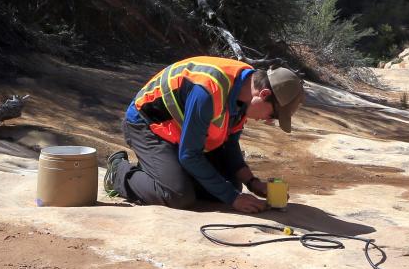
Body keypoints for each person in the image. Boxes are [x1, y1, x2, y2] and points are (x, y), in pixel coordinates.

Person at [104, 57, 305, 214]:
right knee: (178, 195)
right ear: (263, 95)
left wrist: (252, 183)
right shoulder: (209, 90)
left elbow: (230, 146)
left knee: (231, 184)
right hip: (147, 125)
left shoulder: (243, 95)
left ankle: (162, 172)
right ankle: (118, 172)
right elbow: (189, 155)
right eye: (273, 114)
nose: (270, 121)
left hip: (180, 134)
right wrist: (233, 198)